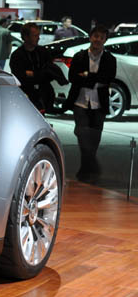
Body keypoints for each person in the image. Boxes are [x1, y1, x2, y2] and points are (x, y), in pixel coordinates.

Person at [63, 25, 117, 182]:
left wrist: (86, 77)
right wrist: (95, 79)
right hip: (80, 103)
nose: (98, 40)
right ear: (90, 37)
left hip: (99, 104)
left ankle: (85, 172)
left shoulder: (109, 59)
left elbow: (108, 78)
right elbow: (73, 78)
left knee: (94, 140)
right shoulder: (79, 56)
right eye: (96, 36)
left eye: (101, 37)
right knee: (82, 136)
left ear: (105, 40)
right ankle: (93, 169)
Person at [9, 22, 57, 113]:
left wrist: (32, 74)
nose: (38, 38)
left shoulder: (43, 52)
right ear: (26, 37)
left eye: (38, 35)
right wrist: (40, 74)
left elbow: (51, 73)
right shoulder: (17, 55)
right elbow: (19, 76)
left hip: (44, 96)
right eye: (35, 35)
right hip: (26, 97)